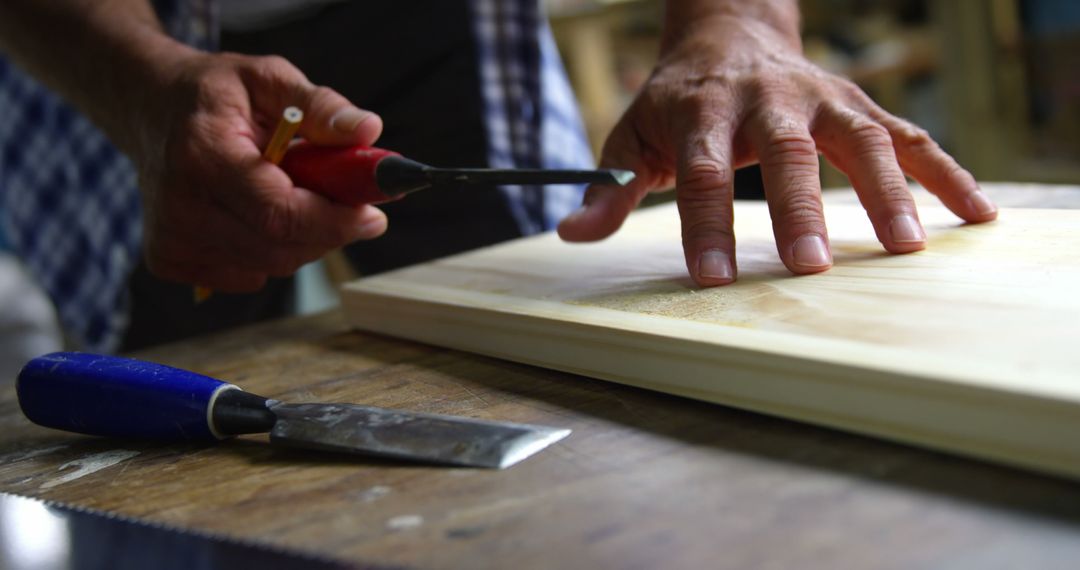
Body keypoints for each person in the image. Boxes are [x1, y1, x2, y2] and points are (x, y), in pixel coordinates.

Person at [0, 0, 998, 354]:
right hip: (121, 31)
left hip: (438, 20)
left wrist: (732, 22)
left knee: (508, 333)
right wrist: (141, 87)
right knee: (170, 362)